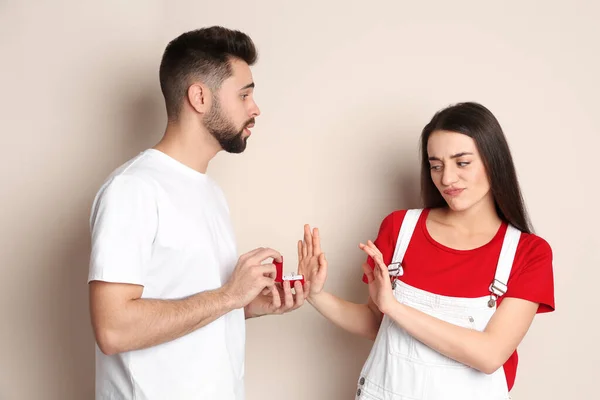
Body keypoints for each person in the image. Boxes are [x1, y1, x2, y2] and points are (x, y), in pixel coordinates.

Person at [87, 26, 307, 400]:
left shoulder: (210, 192)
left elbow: (189, 305)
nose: (255, 108)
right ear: (200, 97)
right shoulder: (133, 189)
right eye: (244, 94)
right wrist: (228, 297)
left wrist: (248, 305)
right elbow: (114, 330)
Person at [299, 102, 555, 399]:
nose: (446, 179)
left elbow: (490, 355)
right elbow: (378, 324)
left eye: (462, 163)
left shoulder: (529, 253)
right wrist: (314, 294)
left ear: (493, 161)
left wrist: (395, 307)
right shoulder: (399, 229)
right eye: (436, 165)